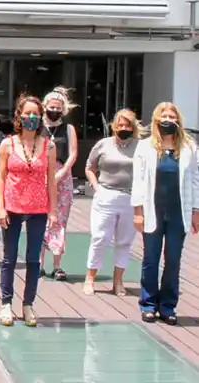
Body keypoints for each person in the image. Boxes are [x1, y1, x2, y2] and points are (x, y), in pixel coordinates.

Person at [132, 102, 199, 325]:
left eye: (172, 116)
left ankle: (168, 305)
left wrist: (196, 211)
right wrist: (138, 212)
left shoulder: (190, 148)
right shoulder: (145, 146)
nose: (168, 120)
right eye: (164, 116)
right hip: (153, 210)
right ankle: (148, 304)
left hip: (178, 212)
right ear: (156, 120)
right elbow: (139, 182)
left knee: (173, 260)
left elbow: (196, 181)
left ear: (178, 120)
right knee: (150, 259)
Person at [0, 95, 58, 327]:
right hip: (12, 207)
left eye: (35, 113)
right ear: (19, 116)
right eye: (27, 113)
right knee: (9, 258)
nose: (31, 117)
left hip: (38, 208)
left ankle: (28, 304)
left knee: (33, 260)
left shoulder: (49, 145)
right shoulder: (7, 144)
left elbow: (51, 180)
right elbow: (1, 178)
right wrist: (0, 207)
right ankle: (6, 303)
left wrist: (53, 211)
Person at [83, 109, 140, 296]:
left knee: (124, 241)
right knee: (99, 238)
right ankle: (90, 278)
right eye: (120, 125)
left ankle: (118, 282)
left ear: (133, 127)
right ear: (114, 126)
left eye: (127, 125)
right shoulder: (103, 144)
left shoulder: (140, 147)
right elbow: (89, 167)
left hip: (130, 198)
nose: (123, 128)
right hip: (106, 195)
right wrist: (95, 185)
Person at [40, 87, 78, 280]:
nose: (54, 110)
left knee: (59, 220)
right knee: (39, 219)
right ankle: (38, 263)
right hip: (39, 176)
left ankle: (57, 264)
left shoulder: (68, 129)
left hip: (62, 176)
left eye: (58, 107)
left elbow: (73, 153)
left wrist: (62, 172)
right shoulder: (38, 126)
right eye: (51, 107)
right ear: (45, 107)